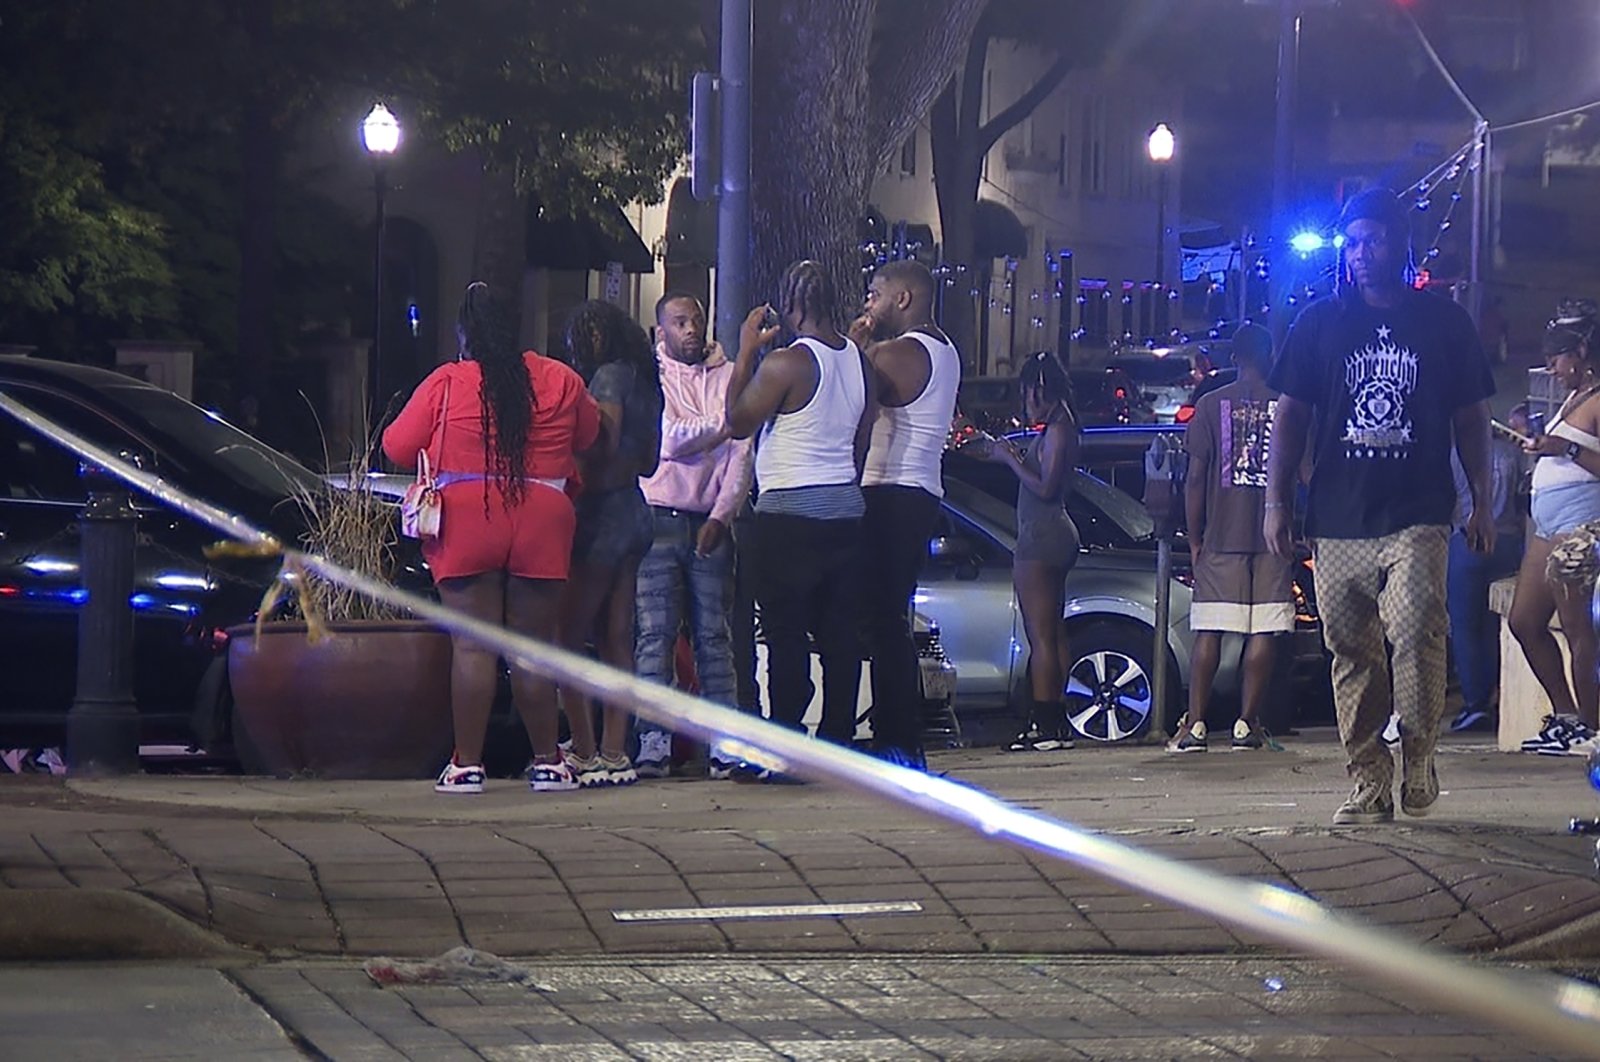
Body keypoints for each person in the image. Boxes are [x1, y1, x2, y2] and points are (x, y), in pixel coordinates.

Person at [1265, 186, 1497, 826]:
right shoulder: (1320, 322)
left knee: (1418, 624)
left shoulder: (1443, 322)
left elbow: (1472, 416)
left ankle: (1419, 751)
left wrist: (1482, 500)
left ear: (1401, 242)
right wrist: (1276, 500)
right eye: (1352, 242)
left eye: (1373, 239)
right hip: (1338, 516)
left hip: (1420, 511)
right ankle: (1369, 780)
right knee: (1351, 650)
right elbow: (1290, 416)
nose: (1360, 253)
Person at [382, 282, 600, 794]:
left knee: (475, 647)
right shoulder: (561, 379)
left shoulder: (449, 381)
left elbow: (396, 446)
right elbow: (588, 436)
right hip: (544, 516)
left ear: (464, 333)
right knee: (530, 648)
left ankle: (466, 765)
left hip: (467, 518)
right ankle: (548, 762)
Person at [725, 260, 875, 780]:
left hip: (788, 513)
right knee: (838, 635)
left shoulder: (785, 363)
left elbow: (737, 421)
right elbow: (862, 439)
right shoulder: (860, 362)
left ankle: (787, 746)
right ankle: (839, 740)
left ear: (790, 306)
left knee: (786, 634)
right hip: (844, 510)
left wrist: (746, 350)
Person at [632, 292, 753, 778]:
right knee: (654, 637)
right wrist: (725, 423)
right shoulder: (652, 377)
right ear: (661, 331)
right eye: (679, 322)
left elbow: (742, 454)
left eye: (696, 320)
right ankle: (653, 742)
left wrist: (722, 515)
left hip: (711, 522)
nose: (691, 329)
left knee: (714, 637)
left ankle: (724, 744)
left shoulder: (728, 376)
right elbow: (667, 441)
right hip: (658, 517)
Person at [850, 260, 962, 771]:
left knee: (880, 618)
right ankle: (896, 734)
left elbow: (848, 394)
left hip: (893, 492)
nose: (867, 304)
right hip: (916, 492)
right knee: (884, 616)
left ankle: (896, 737)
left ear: (903, 299)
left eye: (875, 294)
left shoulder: (902, 352)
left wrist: (854, 346)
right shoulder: (944, 349)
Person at [559, 300, 664, 787]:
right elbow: (649, 462)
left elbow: (603, 439)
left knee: (570, 635)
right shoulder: (648, 382)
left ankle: (582, 749)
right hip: (636, 511)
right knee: (617, 637)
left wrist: (569, 449)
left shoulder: (607, 379)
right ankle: (616, 748)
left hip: (600, 514)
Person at [1169, 323, 1288, 753]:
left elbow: (1195, 478)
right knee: (1263, 632)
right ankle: (1246, 723)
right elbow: (1306, 473)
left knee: (1211, 631)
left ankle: (1197, 726)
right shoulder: (1287, 404)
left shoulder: (1210, 405)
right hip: (1274, 537)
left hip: (1220, 536)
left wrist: (1195, 536)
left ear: (1235, 358)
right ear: (1271, 353)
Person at [961, 352, 1082, 752]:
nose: (1027, 403)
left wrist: (1009, 459)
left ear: (1039, 389)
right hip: (1049, 534)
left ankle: (1045, 723)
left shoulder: (1060, 429)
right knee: (1053, 632)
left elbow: (1045, 488)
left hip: (1043, 536)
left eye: (1029, 394)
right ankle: (1056, 719)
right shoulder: (1057, 426)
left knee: (1041, 635)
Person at [1510, 301, 1600, 757]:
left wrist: (1563, 450)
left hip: (1581, 524)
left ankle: (1591, 725)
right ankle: (1565, 716)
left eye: (1558, 358)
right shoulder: (1572, 398)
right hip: (1546, 524)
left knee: (1578, 627)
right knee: (1524, 621)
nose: (1552, 367)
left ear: (1582, 351)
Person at [1443, 403, 1526, 734]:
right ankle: (1500, 698)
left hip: (1467, 541)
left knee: (1465, 628)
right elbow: (1523, 502)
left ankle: (1475, 704)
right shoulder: (1514, 454)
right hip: (1508, 543)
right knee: (1500, 626)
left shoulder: (1453, 454)